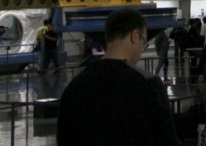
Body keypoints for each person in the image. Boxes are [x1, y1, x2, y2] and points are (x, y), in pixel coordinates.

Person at [57, 8, 177, 145]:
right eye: (144, 42)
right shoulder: (149, 85)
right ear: (135, 36)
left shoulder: (75, 86)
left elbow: (64, 137)